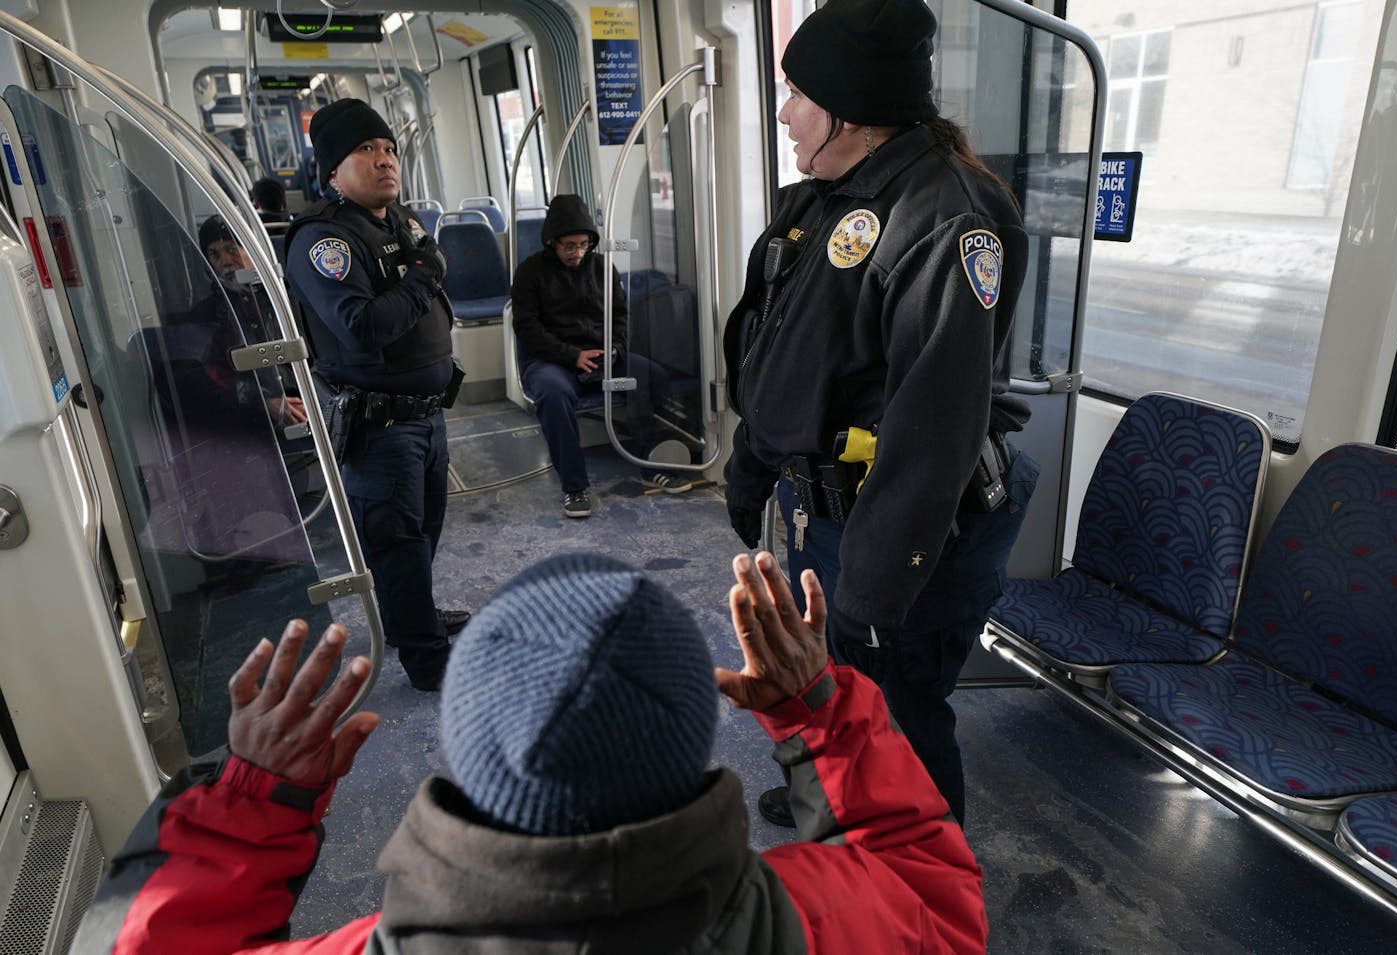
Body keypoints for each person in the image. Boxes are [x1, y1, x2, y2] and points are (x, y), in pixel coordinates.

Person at [72, 551, 989, 954]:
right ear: (691, 744)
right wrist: (820, 713)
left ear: (469, 753)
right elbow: (934, 896)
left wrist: (245, 805)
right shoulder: (837, 914)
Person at [722, 0, 1040, 827]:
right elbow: (780, 350)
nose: (786, 114)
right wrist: (753, 468)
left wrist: (868, 592)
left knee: (899, 720)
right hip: (822, 511)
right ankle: (824, 799)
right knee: (823, 690)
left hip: (901, 530)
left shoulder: (944, 217)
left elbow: (933, 434)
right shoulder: (825, 197)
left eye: (798, 93)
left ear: (850, 106)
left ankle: (920, 903)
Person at [284, 98, 468, 691]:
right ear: (333, 171)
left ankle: (410, 616)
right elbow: (361, 328)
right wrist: (423, 277)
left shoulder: (399, 220)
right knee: (397, 543)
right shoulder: (325, 241)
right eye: (366, 150)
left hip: (426, 416)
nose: (384, 159)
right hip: (380, 425)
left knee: (424, 532)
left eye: (388, 148)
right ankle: (428, 661)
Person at [511, 193, 694, 519]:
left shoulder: (601, 266)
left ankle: (651, 462)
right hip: (552, 359)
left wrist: (615, 349)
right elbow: (527, 328)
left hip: (603, 354)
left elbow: (621, 316)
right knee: (553, 394)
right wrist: (571, 355)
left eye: (583, 245)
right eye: (569, 246)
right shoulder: (530, 272)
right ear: (552, 242)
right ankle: (574, 487)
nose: (577, 253)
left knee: (652, 375)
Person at [193, 214, 305, 428]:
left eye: (232, 249)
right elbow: (209, 378)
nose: (225, 261)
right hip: (252, 423)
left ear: (254, 251)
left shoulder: (289, 297)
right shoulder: (208, 314)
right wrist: (261, 401)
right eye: (214, 254)